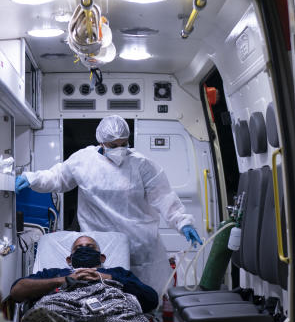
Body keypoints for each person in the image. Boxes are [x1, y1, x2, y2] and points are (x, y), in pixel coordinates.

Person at [15, 114, 202, 296]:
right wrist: (31, 178)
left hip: (140, 245)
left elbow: (164, 196)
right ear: (101, 142)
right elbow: (57, 177)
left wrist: (182, 222)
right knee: (103, 290)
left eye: (124, 144)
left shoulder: (142, 165)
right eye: (113, 145)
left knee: (145, 296)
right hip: (103, 244)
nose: (120, 149)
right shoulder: (84, 161)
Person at [10, 235, 158, 313]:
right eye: (79, 248)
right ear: (69, 260)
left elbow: (151, 299)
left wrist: (107, 278)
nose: (84, 249)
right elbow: (17, 291)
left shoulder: (117, 273)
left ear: (102, 258)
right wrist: (63, 280)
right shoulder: (54, 273)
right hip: (61, 316)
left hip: (111, 315)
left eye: (90, 247)